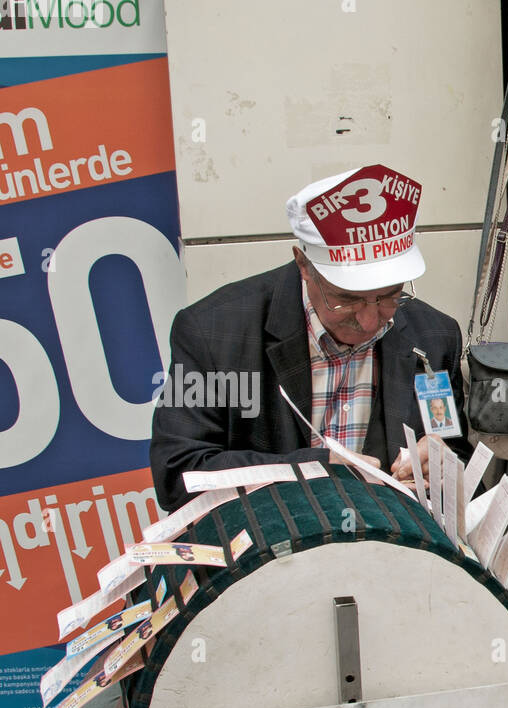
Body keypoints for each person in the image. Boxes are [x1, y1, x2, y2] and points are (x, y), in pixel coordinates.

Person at [151, 164, 466, 513]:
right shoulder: (211, 332)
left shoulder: (434, 336)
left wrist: (441, 464)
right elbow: (176, 474)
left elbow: (455, 447)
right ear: (303, 264)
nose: (368, 320)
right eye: (346, 299)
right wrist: (311, 469)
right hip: (267, 548)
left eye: (389, 296)